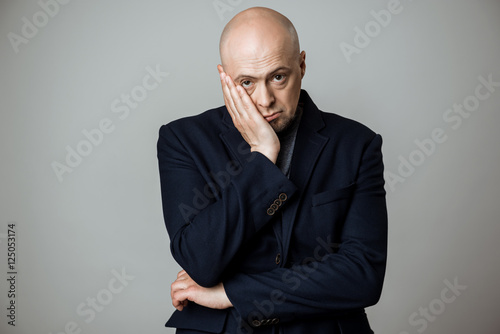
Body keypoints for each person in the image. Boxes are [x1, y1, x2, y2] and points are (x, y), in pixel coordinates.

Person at [157, 6, 387, 334]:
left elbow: (362, 276)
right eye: (247, 82)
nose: (265, 99)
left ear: (302, 65)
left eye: (278, 77)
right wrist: (263, 157)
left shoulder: (357, 144)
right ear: (225, 78)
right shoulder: (182, 140)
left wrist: (234, 293)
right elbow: (201, 261)